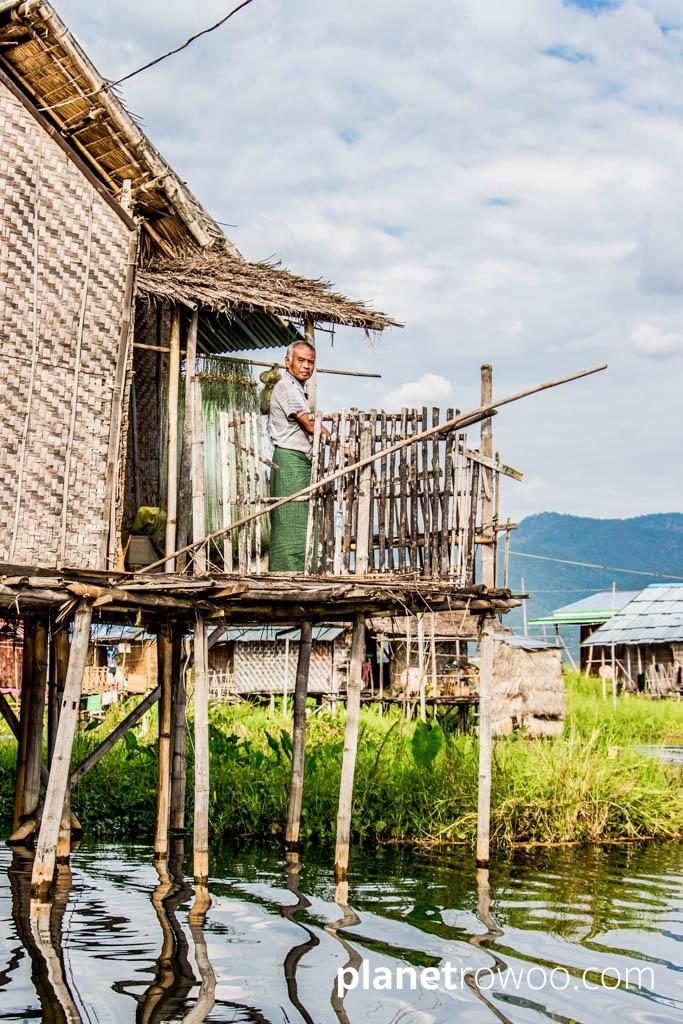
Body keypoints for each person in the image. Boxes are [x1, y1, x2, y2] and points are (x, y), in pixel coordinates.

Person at [267, 340, 329, 571]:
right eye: (301, 360)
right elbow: (310, 425)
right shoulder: (286, 387)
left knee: (303, 517)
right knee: (289, 519)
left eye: (310, 362)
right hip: (290, 459)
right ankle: (287, 571)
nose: (306, 366)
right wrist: (338, 444)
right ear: (288, 362)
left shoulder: (297, 388)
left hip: (299, 460)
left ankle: (303, 569)